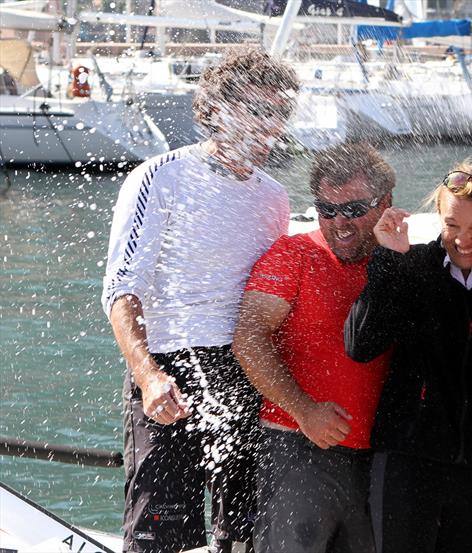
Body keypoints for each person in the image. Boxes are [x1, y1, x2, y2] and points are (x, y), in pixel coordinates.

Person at [101, 47, 300, 553]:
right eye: (258, 111)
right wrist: (147, 378)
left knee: (246, 535)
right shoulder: (159, 177)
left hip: (246, 373)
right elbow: (121, 289)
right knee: (160, 538)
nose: (269, 127)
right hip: (169, 374)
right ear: (214, 112)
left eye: (278, 113)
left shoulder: (274, 198)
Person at [344, 163, 472, 553]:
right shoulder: (410, 265)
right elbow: (360, 345)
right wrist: (388, 262)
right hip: (406, 462)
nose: (463, 240)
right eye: (452, 226)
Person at [231, 142, 395, 553]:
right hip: (299, 449)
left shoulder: (401, 263)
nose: (339, 222)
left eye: (355, 210)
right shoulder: (293, 254)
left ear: (385, 203)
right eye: (326, 209)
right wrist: (304, 410)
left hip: (381, 460)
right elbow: (248, 337)